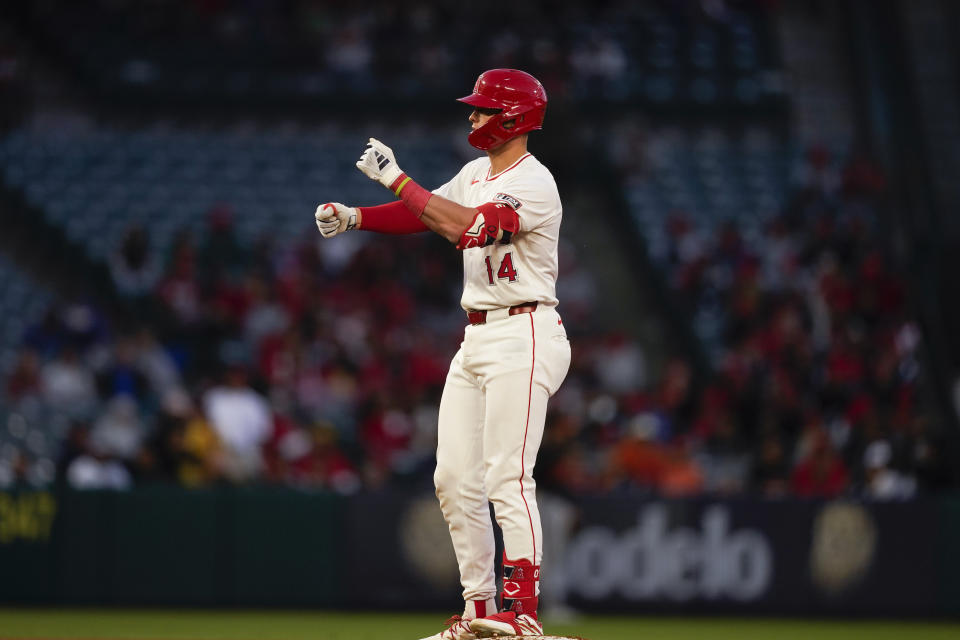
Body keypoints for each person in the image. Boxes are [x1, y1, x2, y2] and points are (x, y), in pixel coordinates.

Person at [314, 69, 571, 639]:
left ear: (513, 117)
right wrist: (359, 216)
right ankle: (480, 612)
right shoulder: (479, 172)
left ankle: (523, 613)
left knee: (508, 475)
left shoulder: (534, 182)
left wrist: (397, 178)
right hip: (478, 333)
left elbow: (469, 231)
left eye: (483, 109)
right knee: (453, 478)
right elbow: (426, 212)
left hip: (525, 330)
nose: (473, 117)